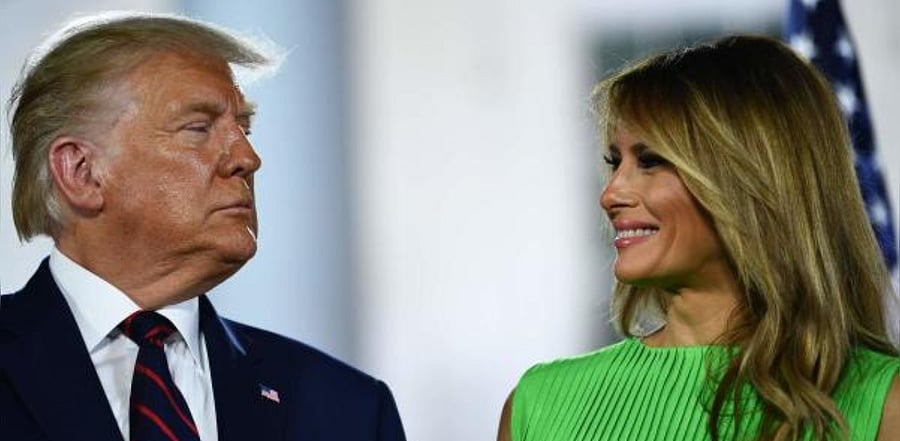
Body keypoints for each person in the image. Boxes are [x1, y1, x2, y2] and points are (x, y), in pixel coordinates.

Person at [0, 12, 405, 441]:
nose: (247, 158)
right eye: (199, 128)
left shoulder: (346, 408)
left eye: (243, 128)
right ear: (82, 172)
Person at [497, 35, 899, 441]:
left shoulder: (884, 404)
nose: (611, 194)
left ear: (752, 180)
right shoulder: (540, 404)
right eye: (614, 162)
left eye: (651, 161)